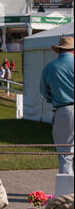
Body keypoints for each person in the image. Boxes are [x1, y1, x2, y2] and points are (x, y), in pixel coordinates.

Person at [40, 37, 74, 174]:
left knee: (65, 154)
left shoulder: (50, 67)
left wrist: (53, 98)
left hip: (63, 110)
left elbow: (44, 91)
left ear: (59, 50)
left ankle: (66, 192)